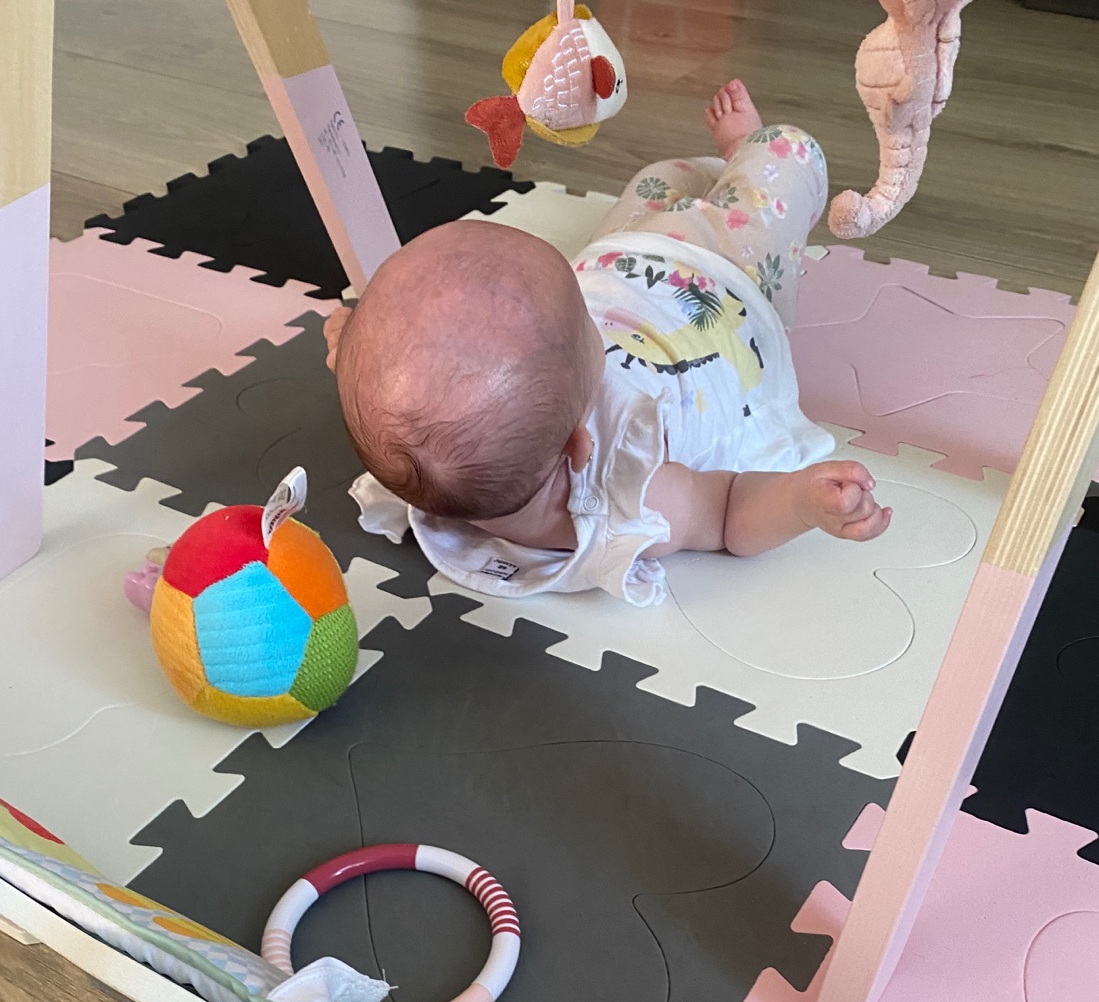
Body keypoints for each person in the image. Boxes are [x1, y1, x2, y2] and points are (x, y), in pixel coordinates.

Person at [327, 79, 891, 608]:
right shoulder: (629, 492)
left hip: (620, 258)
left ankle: (721, 177)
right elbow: (724, 511)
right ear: (580, 443)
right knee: (789, 151)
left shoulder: (416, 450)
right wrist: (801, 502)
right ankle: (746, 151)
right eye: (585, 324)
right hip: (723, 283)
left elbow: (412, 384)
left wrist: (361, 354)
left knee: (662, 179)